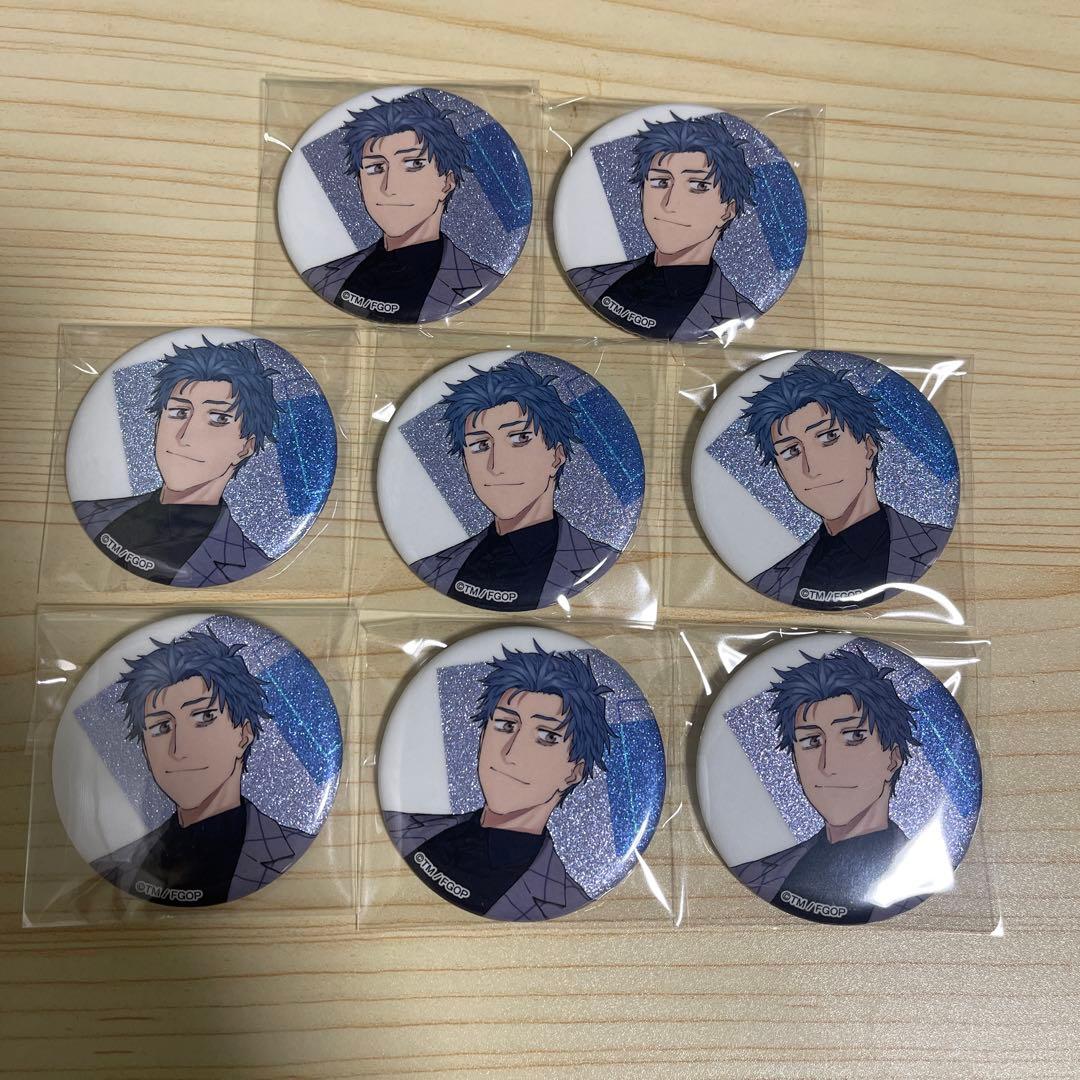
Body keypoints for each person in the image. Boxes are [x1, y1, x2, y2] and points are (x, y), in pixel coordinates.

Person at [385, 643, 616, 920]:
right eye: (506, 725)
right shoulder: (399, 824)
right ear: (483, 737)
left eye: (547, 737)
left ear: (574, 772)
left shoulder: (566, 901)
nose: (511, 752)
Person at [91, 630, 314, 906]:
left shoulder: (297, 853)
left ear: (243, 735)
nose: (179, 749)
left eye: (204, 717)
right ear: (146, 750)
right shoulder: (115, 869)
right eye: (161, 726)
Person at [732, 649, 923, 923]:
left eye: (854, 736)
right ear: (795, 762)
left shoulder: (925, 877)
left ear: (892, 758)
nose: (828, 765)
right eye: (811, 741)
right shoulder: (753, 874)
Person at [409, 360, 617, 610]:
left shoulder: (600, 562)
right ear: (465, 464)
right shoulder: (434, 567)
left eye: (520, 438)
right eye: (481, 445)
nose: (497, 466)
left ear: (556, 456)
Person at [740, 361, 951, 609]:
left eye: (829, 436)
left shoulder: (938, 545)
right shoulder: (770, 582)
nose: (812, 468)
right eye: (791, 451)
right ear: (782, 473)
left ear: (868, 448)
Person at [74, 338, 279, 588]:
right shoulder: (87, 511)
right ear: (158, 425)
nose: (185, 436)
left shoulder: (251, 566)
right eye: (179, 412)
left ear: (246, 446)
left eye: (218, 418)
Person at [302, 91, 501, 322]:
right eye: (376, 168)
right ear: (360, 184)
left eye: (414, 164)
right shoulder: (320, 277)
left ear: (447, 182)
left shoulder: (482, 282)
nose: (390, 187)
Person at [568, 112, 760, 341]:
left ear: (727, 210)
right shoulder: (586, 277)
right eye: (661, 182)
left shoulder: (738, 313)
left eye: (698, 186)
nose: (670, 204)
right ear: (642, 194)